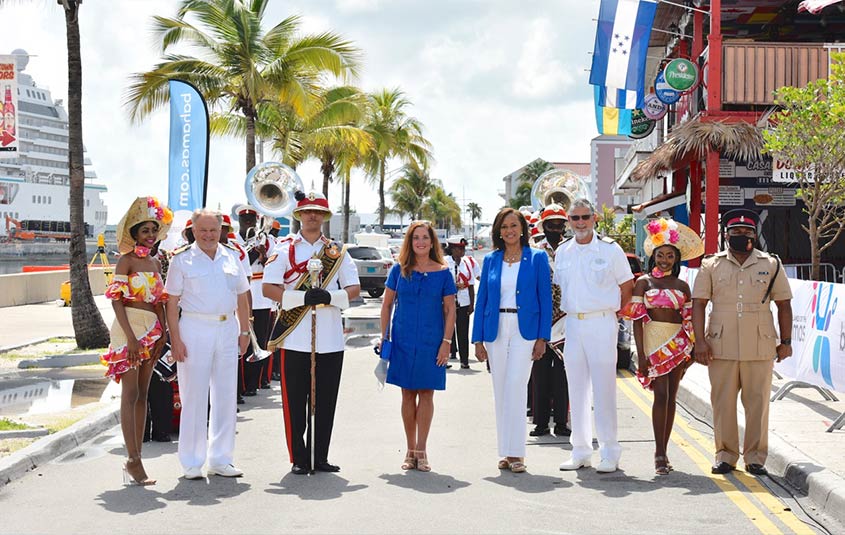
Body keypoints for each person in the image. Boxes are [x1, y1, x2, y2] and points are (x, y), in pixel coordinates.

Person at [262, 190, 360, 475]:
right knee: (295, 401)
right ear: (299, 215)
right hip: (294, 337)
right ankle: (299, 458)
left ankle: (321, 456)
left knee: (326, 400)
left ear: (325, 216)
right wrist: (300, 299)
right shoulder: (283, 249)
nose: (312, 216)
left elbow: (353, 288)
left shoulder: (337, 252)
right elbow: (269, 288)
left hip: (329, 337)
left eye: (318, 211)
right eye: (307, 211)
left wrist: (330, 297)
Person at [692, 209, 793, 476]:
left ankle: (756, 457)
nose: (741, 236)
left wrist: (786, 341)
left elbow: (784, 305)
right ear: (727, 235)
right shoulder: (710, 264)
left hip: (759, 344)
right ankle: (725, 455)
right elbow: (699, 304)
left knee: (757, 403)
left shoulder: (771, 264)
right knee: (722, 402)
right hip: (720, 343)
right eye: (736, 232)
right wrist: (699, 341)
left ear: (754, 234)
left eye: (747, 232)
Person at [165, 209, 251, 480]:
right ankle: (191, 461)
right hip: (194, 327)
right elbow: (171, 303)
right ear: (192, 229)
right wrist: (175, 339)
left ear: (221, 230)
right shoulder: (182, 260)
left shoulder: (231, 256)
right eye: (203, 230)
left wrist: (245, 330)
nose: (208, 235)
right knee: (194, 395)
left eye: (213, 229)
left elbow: (242, 295)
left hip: (227, 328)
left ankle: (221, 459)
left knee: (226, 395)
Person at [555, 198, 634, 474]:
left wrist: (616, 314)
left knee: (604, 389)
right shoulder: (563, 252)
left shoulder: (611, 250)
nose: (580, 223)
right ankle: (580, 450)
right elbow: (560, 290)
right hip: (574, 325)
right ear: (569, 220)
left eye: (585, 217)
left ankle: (610, 451)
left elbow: (627, 285)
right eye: (575, 218)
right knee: (575, 389)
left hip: (602, 321)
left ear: (594, 218)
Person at [473, 208, 551, 474]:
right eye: (504, 226)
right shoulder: (491, 260)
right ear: (498, 231)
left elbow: (545, 299)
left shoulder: (537, 258)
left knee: (517, 387)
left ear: (522, 229)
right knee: (501, 390)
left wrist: (543, 337)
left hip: (524, 329)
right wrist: (477, 339)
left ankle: (518, 452)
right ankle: (505, 451)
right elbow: (481, 298)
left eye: (513, 225)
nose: (509, 231)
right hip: (496, 329)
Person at [621, 218, 703, 475]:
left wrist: (691, 349)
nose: (664, 260)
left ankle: (664, 451)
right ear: (653, 256)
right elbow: (636, 319)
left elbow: (689, 320)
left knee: (671, 397)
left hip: (678, 344)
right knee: (661, 395)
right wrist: (641, 354)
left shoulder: (682, 286)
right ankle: (658, 453)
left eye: (669, 255)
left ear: (676, 259)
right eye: (660, 255)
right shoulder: (643, 282)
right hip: (653, 341)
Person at [102, 196, 172, 485]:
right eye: (145, 231)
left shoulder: (155, 261)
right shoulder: (126, 261)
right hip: (128, 327)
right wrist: (130, 338)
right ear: (134, 234)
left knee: (144, 394)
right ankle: (133, 460)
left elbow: (158, 301)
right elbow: (116, 300)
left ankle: (137, 457)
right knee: (130, 394)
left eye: (154, 231)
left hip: (151, 328)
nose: (151, 236)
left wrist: (163, 332)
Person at [379, 221, 457, 472]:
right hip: (402, 340)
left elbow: (450, 310)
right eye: (416, 238)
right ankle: (409, 449)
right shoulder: (399, 270)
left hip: (432, 342)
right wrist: (385, 337)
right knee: (407, 394)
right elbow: (387, 305)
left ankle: (422, 450)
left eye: (425, 237)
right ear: (409, 242)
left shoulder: (444, 272)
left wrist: (446, 343)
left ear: (432, 242)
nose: (421, 242)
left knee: (426, 393)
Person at [529, 203, 570, 438]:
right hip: (542, 318)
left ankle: (562, 423)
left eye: (559, 224)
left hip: (566, 319)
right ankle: (541, 423)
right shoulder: (534, 251)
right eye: (550, 224)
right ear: (543, 226)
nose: (555, 228)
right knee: (540, 373)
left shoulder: (571, 249)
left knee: (563, 374)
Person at [234, 204, 275, 395]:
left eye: (252, 220)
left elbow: (273, 265)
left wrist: (263, 253)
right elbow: (243, 265)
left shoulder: (265, 239)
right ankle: (240, 387)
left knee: (260, 339)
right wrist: (252, 253)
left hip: (261, 295)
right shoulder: (233, 240)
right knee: (241, 340)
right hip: (240, 295)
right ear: (240, 221)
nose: (249, 223)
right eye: (245, 220)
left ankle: (253, 384)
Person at [446, 235, 474, 369]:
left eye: (463, 248)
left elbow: (472, 285)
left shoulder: (467, 263)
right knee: (446, 332)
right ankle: (444, 359)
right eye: (459, 248)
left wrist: (471, 304)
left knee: (463, 333)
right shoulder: (444, 263)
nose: (462, 251)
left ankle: (464, 360)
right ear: (452, 249)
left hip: (463, 303)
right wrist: (454, 286)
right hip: (447, 304)